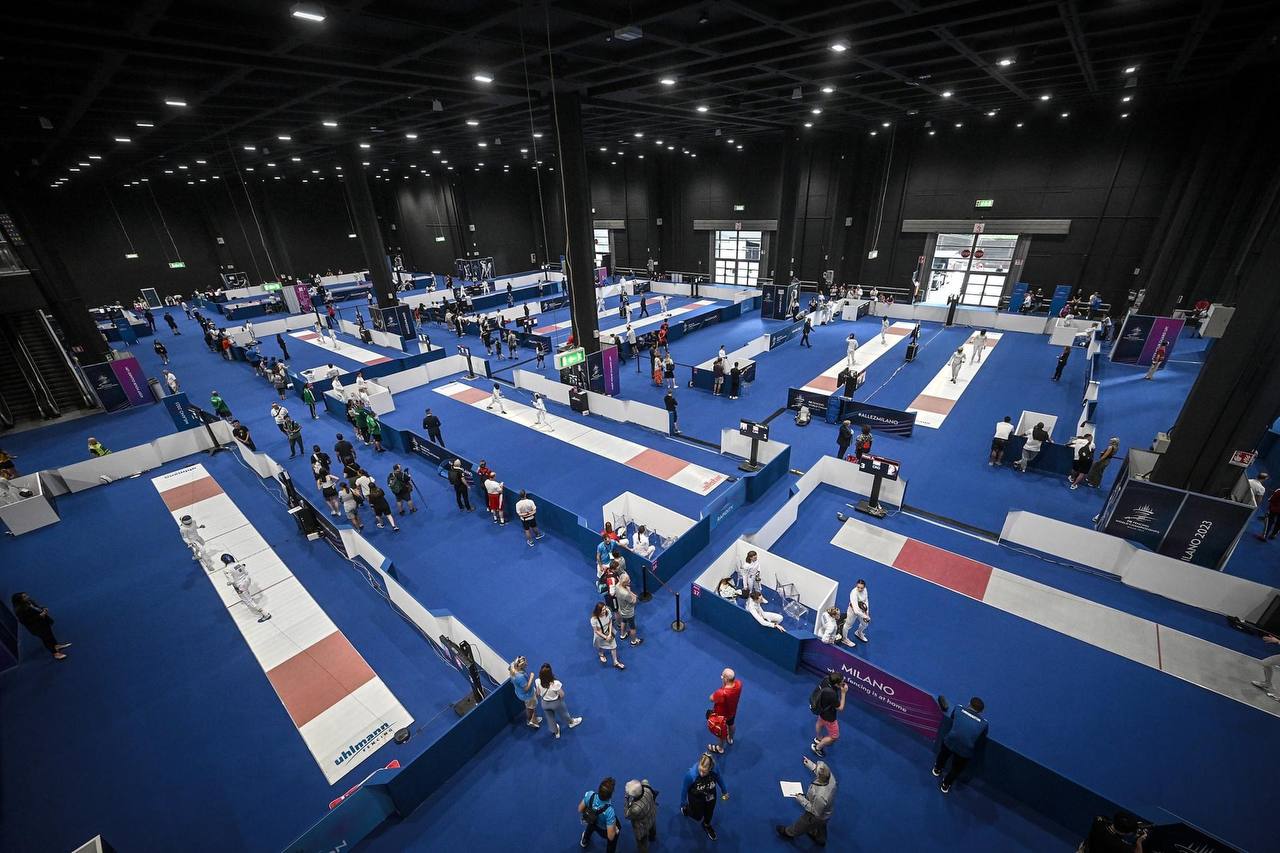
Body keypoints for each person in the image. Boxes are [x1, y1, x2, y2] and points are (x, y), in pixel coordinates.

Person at [775, 756, 837, 846]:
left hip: (815, 816)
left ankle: (788, 832)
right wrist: (811, 765)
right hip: (826, 813)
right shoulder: (831, 778)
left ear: (819, 777)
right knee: (822, 825)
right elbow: (822, 772)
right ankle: (821, 839)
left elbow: (815, 811)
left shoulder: (820, 796)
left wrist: (801, 799)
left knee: (802, 824)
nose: (815, 766)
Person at [933, 694, 988, 792]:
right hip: (964, 751)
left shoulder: (958, 709)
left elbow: (952, 717)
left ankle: (937, 769)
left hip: (950, 741)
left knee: (942, 756)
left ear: (968, 704)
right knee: (956, 769)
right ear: (981, 712)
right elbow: (983, 735)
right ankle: (945, 785)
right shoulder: (984, 724)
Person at [680, 752, 728, 840]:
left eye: (704, 771)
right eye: (700, 770)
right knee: (697, 817)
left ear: (710, 768)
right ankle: (686, 810)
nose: (701, 773)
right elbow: (684, 788)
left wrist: (724, 791)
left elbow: (719, 778)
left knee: (709, 812)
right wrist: (683, 802)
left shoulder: (715, 769)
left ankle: (706, 825)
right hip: (696, 798)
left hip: (711, 795)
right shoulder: (691, 775)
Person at [12, 593, 72, 660]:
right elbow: (25, 621)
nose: (27, 597)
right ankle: (55, 653)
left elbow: (37, 607)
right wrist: (39, 616)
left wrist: (43, 609)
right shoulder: (20, 610)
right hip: (37, 626)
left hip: (43, 621)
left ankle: (56, 645)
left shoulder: (29, 602)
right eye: (24, 597)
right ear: (19, 600)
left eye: (26, 595)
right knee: (46, 639)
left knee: (50, 634)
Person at [536, 662, 583, 738]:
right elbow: (562, 694)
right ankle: (571, 723)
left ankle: (555, 731)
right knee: (564, 714)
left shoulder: (537, 681)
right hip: (556, 703)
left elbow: (538, 693)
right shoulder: (555, 683)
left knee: (550, 719)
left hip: (544, 703)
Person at [221, 554, 272, 622]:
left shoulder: (226, 569)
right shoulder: (238, 564)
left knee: (249, 602)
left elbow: (232, 581)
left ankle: (266, 614)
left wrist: (228, 583)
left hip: (240, 586)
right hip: (247, 580)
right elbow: (246, 572)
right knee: (246, 591)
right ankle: (248, 595)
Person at [578, 777, 621, 852]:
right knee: (615, 836)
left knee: (590, 827)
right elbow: (610, 837)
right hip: (603, 830)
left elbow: (580, 809)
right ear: (610, 795)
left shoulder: (590, 795)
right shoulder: (609, 811)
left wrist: (591, 812)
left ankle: (585, 840)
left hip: (592, 821)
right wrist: (615, 829)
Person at [810, 673, 848, 757]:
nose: (843, 683)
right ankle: (817, 748)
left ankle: (819, 738)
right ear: (836, 684)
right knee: (834, 737)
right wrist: (843, 693)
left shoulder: (826, 679)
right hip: (829, 717)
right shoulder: (832, 694)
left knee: (820, 723)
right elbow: (840, 708)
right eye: (842, 682)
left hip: (821, 710)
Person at [1082, 811, 1149, 853]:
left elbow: (1104, 819)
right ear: (1126, 833)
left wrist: (1132, 825)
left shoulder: (1098, 822)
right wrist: (1139, 842)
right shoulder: (1121, 846)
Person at [623, 780, 659, 853]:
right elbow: (643, 781)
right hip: (652, 814)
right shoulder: (647, 787)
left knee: (642, 844)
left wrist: (626, 799)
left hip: (643, 827)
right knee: (652, 827)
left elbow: (627, 815)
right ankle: (652, 837)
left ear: (633, 795)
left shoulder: (635, 809)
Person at [711, 668, 743, 748]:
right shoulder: (739, 684)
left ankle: (720, 748)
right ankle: (730, 739)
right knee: (731, 725)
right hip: (732, 712)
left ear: (726, 679)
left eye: (722, 677)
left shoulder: (721, 692)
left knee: (721, 732)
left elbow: (711, 698)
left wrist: (722, 686)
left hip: (721, 716)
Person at [509, 656, 542, 729]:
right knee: (531, 708)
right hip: (528, 695)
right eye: (525, 664)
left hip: (520, 692)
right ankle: (531, 720)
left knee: (529, 706)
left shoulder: (513, 667)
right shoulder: (520, 677)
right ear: (520, 666)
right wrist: (531, 678)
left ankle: (531, 718)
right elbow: (526, 689)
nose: (527, 664)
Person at [591, 601, 625, 670]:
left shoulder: (608, 611)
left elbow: (610, 622)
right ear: (598, 611)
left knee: (613, 646)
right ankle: (601, 654)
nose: (604, 611)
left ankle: (615, 662)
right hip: (600, 635)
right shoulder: (594, 619)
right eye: (602, 610)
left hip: (608, 632)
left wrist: (609, 633)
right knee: (601, 646)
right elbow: (596, 631)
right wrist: (605, 637)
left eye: (604, 609)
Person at [844, 578, 870, 645]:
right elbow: (856, 610)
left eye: (862, 588)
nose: (860, 589)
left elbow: (866, 601)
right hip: (852, 611)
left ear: (864, 587)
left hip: (861, 610)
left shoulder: (865, 590)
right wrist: (865, 616)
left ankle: (858, 632)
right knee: (848, 625)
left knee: (865, 624)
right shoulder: (853, 593)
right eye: (858, 587)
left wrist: (867, 612)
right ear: (856, 585)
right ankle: (844, 639)